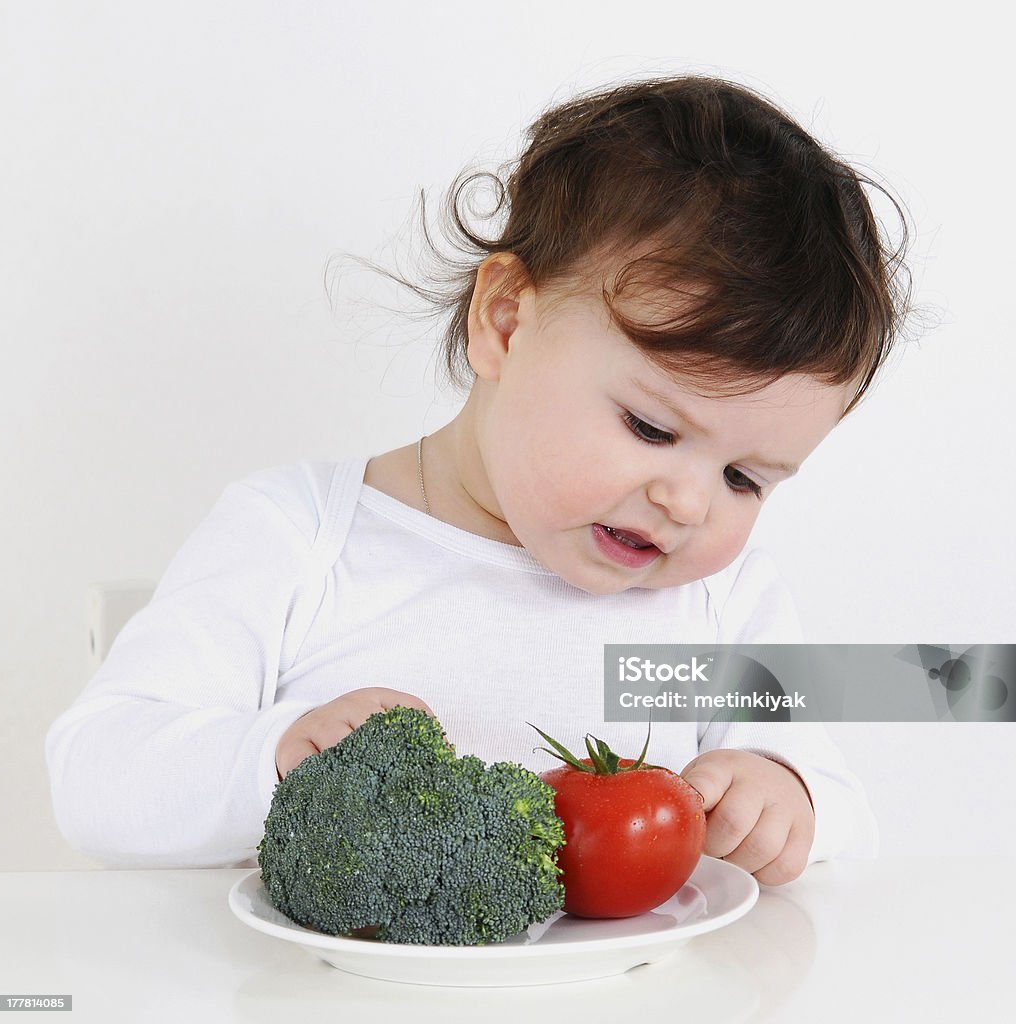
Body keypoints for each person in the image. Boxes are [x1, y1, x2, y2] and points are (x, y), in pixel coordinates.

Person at [46, 75, 909, 885]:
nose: (687, 503)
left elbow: (845, 818)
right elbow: (97, 774)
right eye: (651, 427)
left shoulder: (720, 611)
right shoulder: (300, 538)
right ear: (505, 321)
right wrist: (277, 757)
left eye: (744, 479)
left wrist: (784, 794)